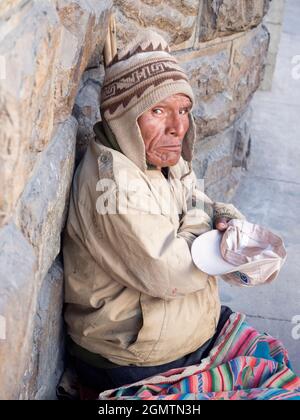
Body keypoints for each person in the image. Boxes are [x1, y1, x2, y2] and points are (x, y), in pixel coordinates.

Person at [62, 30, 246, 394]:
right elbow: (170, 271)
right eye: (158, 111)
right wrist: (205, 222)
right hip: (134, 357)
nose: (177, 128)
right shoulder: (111, 187)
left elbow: (198, 199)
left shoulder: (161, 157)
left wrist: (223, 215)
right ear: (124, 119)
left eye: (183, 110)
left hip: (179, 335)